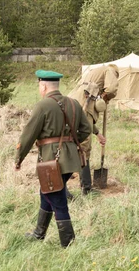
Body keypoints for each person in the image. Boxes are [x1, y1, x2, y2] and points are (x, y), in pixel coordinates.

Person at [15, 70, 92, 247]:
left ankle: (69, 243)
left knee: (57, 199)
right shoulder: (73, 103)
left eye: (39, 86)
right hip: (70, 161)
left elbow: (28, 135)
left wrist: (18, 158)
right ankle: (39, 233)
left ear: (43, 86)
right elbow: (86, 130)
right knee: (47, 192)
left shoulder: (43, 106)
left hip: (51, 161)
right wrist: (70, 145)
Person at [68, 64, 119, 194]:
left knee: (75, 146)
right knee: (83, 148)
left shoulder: (93, 73)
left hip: (74, 102)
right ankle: (86, 188)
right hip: (85, 101)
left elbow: (86, 123)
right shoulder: (110, 70)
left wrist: (98, 134)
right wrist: (105, 97)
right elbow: (112, 88)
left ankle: (71, 186)